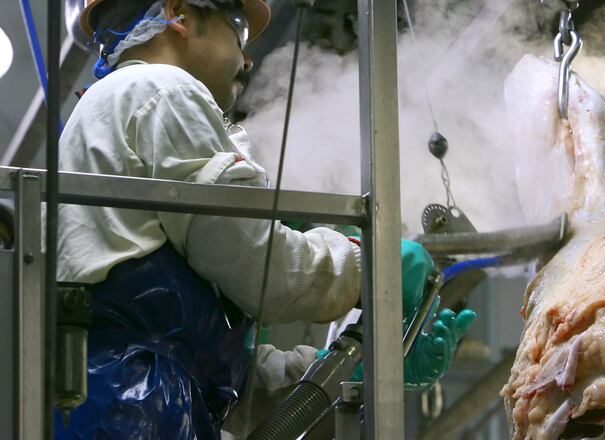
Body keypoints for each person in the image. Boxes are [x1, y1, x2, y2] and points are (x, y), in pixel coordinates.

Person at [55, 0, 476, 438]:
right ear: (178, 13)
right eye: (237, 27)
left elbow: (213, 368)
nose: (248, 57)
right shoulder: (161, 90)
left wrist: (353, 363)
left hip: (128, 406)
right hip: (134, 412)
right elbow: (262, 266)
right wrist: (370, 265)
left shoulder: (112, 112)